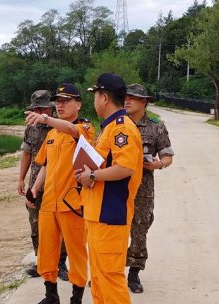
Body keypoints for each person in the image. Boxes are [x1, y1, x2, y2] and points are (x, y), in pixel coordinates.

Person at [75, 73, 143, 304]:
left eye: (94, 95)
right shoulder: (108, 128)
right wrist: (87, 174)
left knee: (110, 278)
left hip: (111, 215)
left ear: (104, 97)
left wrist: (92, 175)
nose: (94, 101)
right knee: (98, 277)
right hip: (96, 215)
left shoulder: (122, 129)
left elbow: (126, 167)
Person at [25, 83, 95, 304]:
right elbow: (45, 165)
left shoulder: (84, 128)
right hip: (49, 203)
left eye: (66, 101)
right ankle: (51, 295)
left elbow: (72, 131)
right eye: (57, 101)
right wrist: (35, 188)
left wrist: (45, 119)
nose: (60, 105)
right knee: (47, 251)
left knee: (76, 252)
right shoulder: (53, 134)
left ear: (79, 104)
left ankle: (76, 298)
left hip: (72, 203)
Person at [124, 84, 174, 293]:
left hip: (143, 190)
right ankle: (110, 271)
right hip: (117, 188)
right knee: (113, 230)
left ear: (143, 102)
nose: (126, 101)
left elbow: (167, 156)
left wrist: (159, 164)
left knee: (139, 230)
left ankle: (134, 273)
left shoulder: (156, 127)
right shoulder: (116, 125)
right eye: (125, 97)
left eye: (132, 98)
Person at [18, 90, 69, 281]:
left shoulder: (61, 126)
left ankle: (60, 263)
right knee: (35, 222)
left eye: (42, 108)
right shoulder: (31, 128)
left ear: (51, 107)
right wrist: (21, 179)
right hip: (35, 183)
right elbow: (27, 153)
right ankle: (42, 261)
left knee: (60, 224)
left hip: (60, 182)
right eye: (36, 108)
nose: (38, 111)